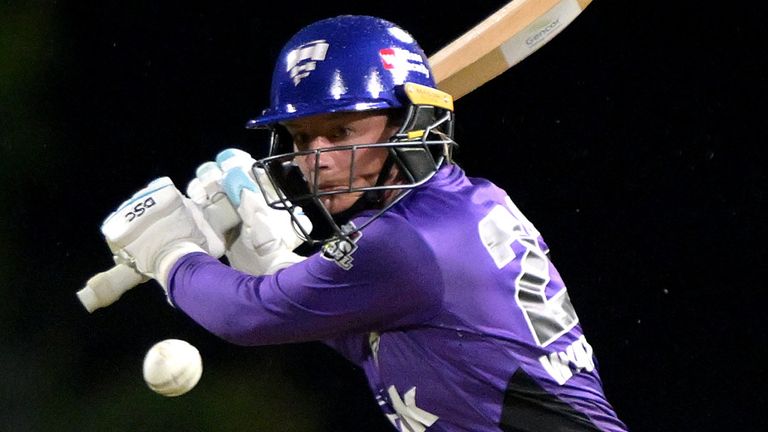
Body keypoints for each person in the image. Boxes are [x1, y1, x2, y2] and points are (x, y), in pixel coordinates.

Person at [102, 15, 628, 431]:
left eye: (341, 130)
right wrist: (277, 266)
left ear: (409, 125)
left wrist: (172, 256)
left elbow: (248, 317)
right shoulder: (456, 207)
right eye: (303, 138)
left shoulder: (406, 243)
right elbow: (382, 333)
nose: (318, 157)